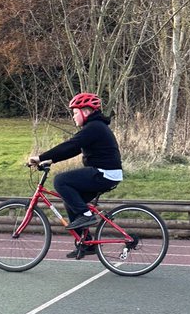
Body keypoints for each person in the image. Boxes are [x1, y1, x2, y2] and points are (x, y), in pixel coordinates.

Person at [28, 92, 123, 256]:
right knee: (70, 201)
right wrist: (50, 160)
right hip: (105, 173)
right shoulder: (94, 127)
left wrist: (41, 157)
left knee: (60, 181)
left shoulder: (94, 127)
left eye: (74, 112)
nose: (73, 116)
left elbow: (71, 145)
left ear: (85, 111)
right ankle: (86, 243)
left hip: (104, 173)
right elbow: (73, 150)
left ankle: (86, 215)